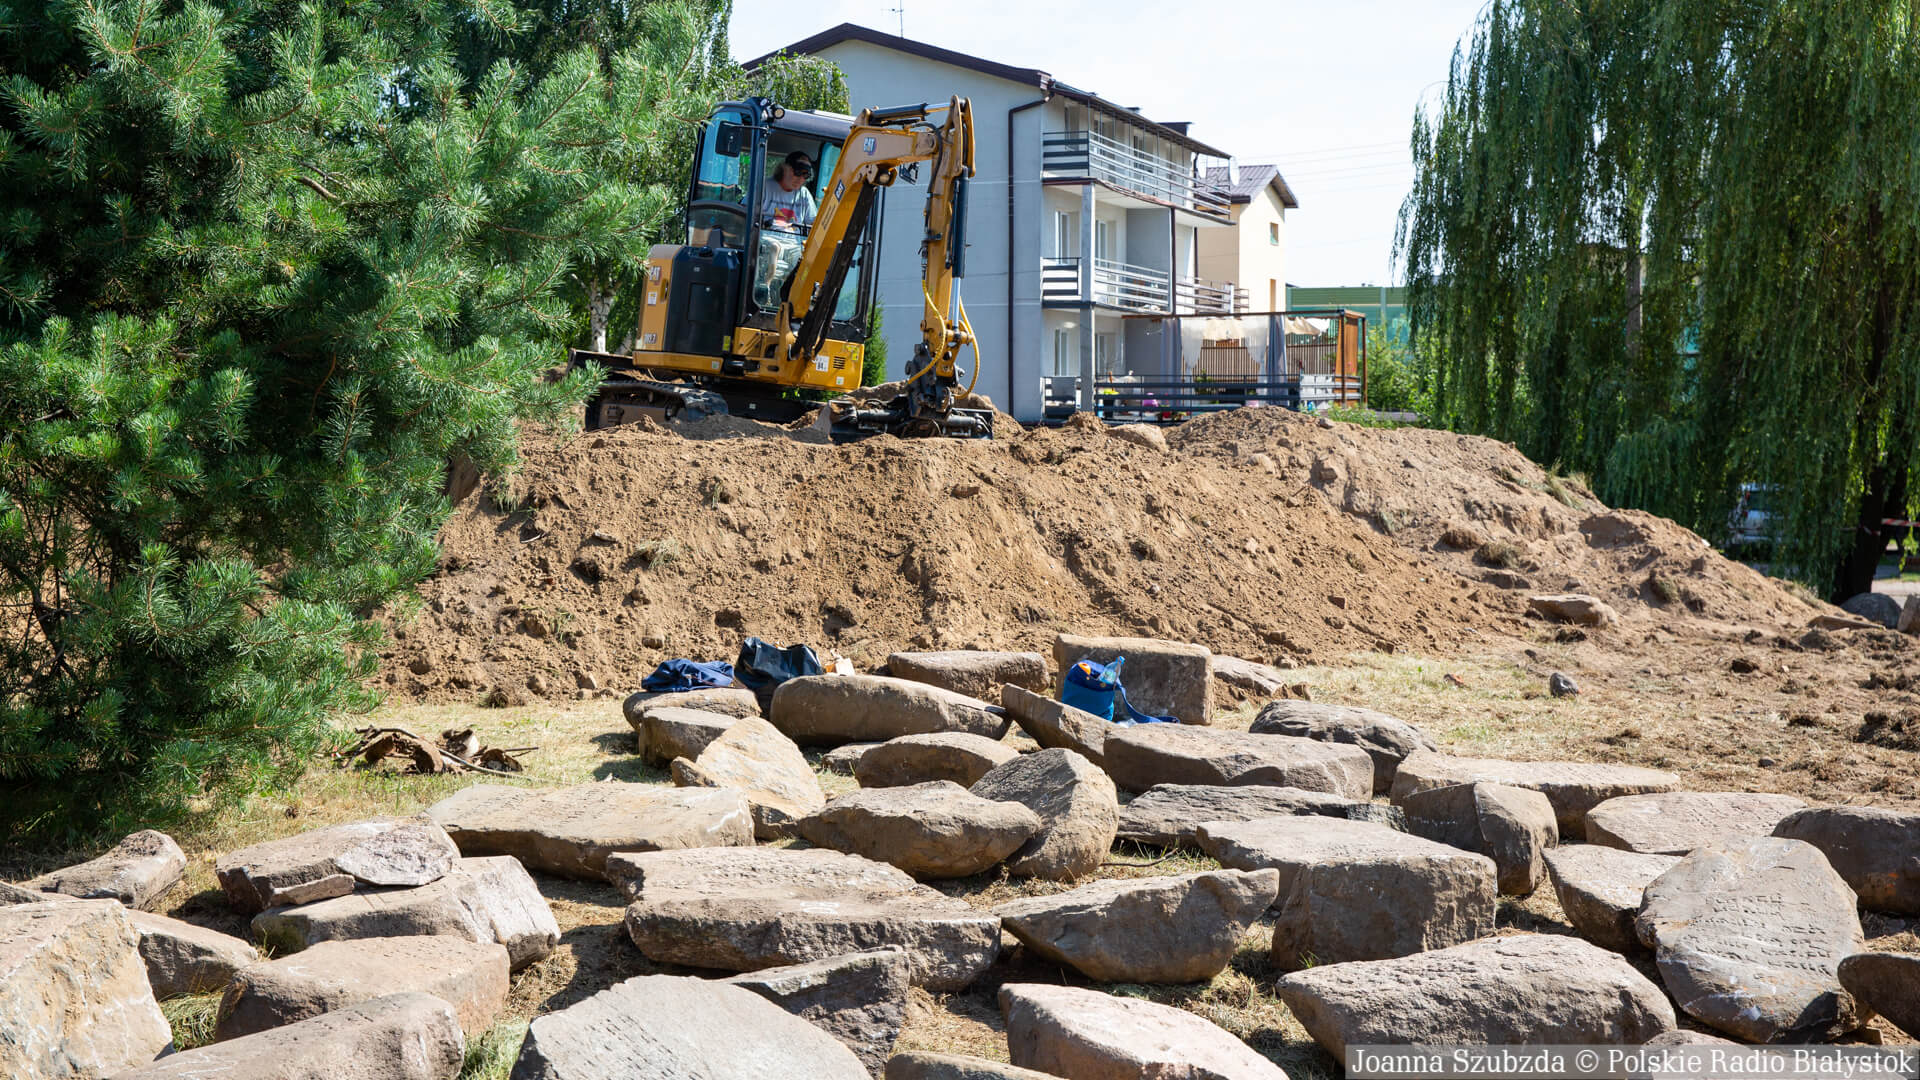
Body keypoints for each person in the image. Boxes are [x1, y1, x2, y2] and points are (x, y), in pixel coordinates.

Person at [760, 151, 817, 229]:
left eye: (806, 175)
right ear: (784, 168)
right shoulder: (765, 187)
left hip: (795, 240)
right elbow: (745, 216)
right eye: (798, 172)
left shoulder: (804, 194)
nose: (801, 179)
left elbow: (813, 224)